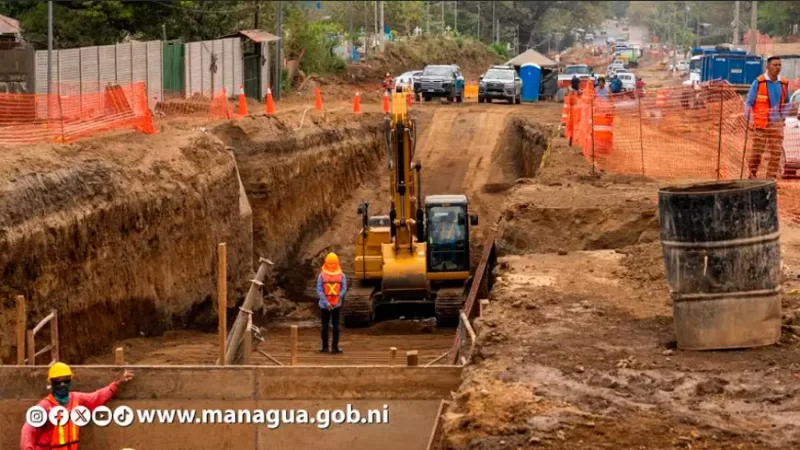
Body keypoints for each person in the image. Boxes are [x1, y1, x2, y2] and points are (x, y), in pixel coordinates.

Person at [20, 363, 134, 450]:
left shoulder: (76, 399)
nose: (62, 385)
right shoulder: (44, 407)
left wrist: (117, 384)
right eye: (57, 382)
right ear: (51, 383)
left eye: (65, 381)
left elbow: (96, 397)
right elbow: (27, 432)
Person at [745, 55, 791, 179]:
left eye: (779, 65)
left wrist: (783, 118)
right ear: (767, 66)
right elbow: (749, 103)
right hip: (761, 124)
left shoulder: (784, 84)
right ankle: (752, 173)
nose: (777, 67)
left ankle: (771, 178)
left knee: (776, 153)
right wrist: (749, 120)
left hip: (776, 124)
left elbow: (787, 103)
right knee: (757, 152)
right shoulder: (759, 82)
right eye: (774, 65)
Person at [317, 252, 346, 353]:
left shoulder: (322, 275)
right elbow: (343, 289)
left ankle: (325, 347)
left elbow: (319, 291)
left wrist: (327, 303)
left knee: (324, 325)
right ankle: (335, 347)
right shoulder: (342, 275)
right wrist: (336, 300)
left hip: (324, 306)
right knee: (336, 325)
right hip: (336, 305)